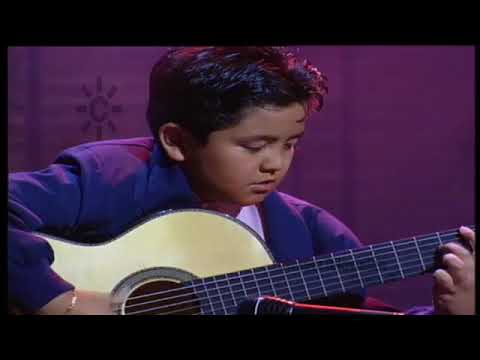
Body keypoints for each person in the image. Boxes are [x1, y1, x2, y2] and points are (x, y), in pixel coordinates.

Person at [8, 46, 475, 315]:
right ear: (177, 140)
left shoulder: (305, 232)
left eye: (290, 143)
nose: (275, 164)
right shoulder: (113, 175)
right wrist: (55, 297)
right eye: (254, 147)